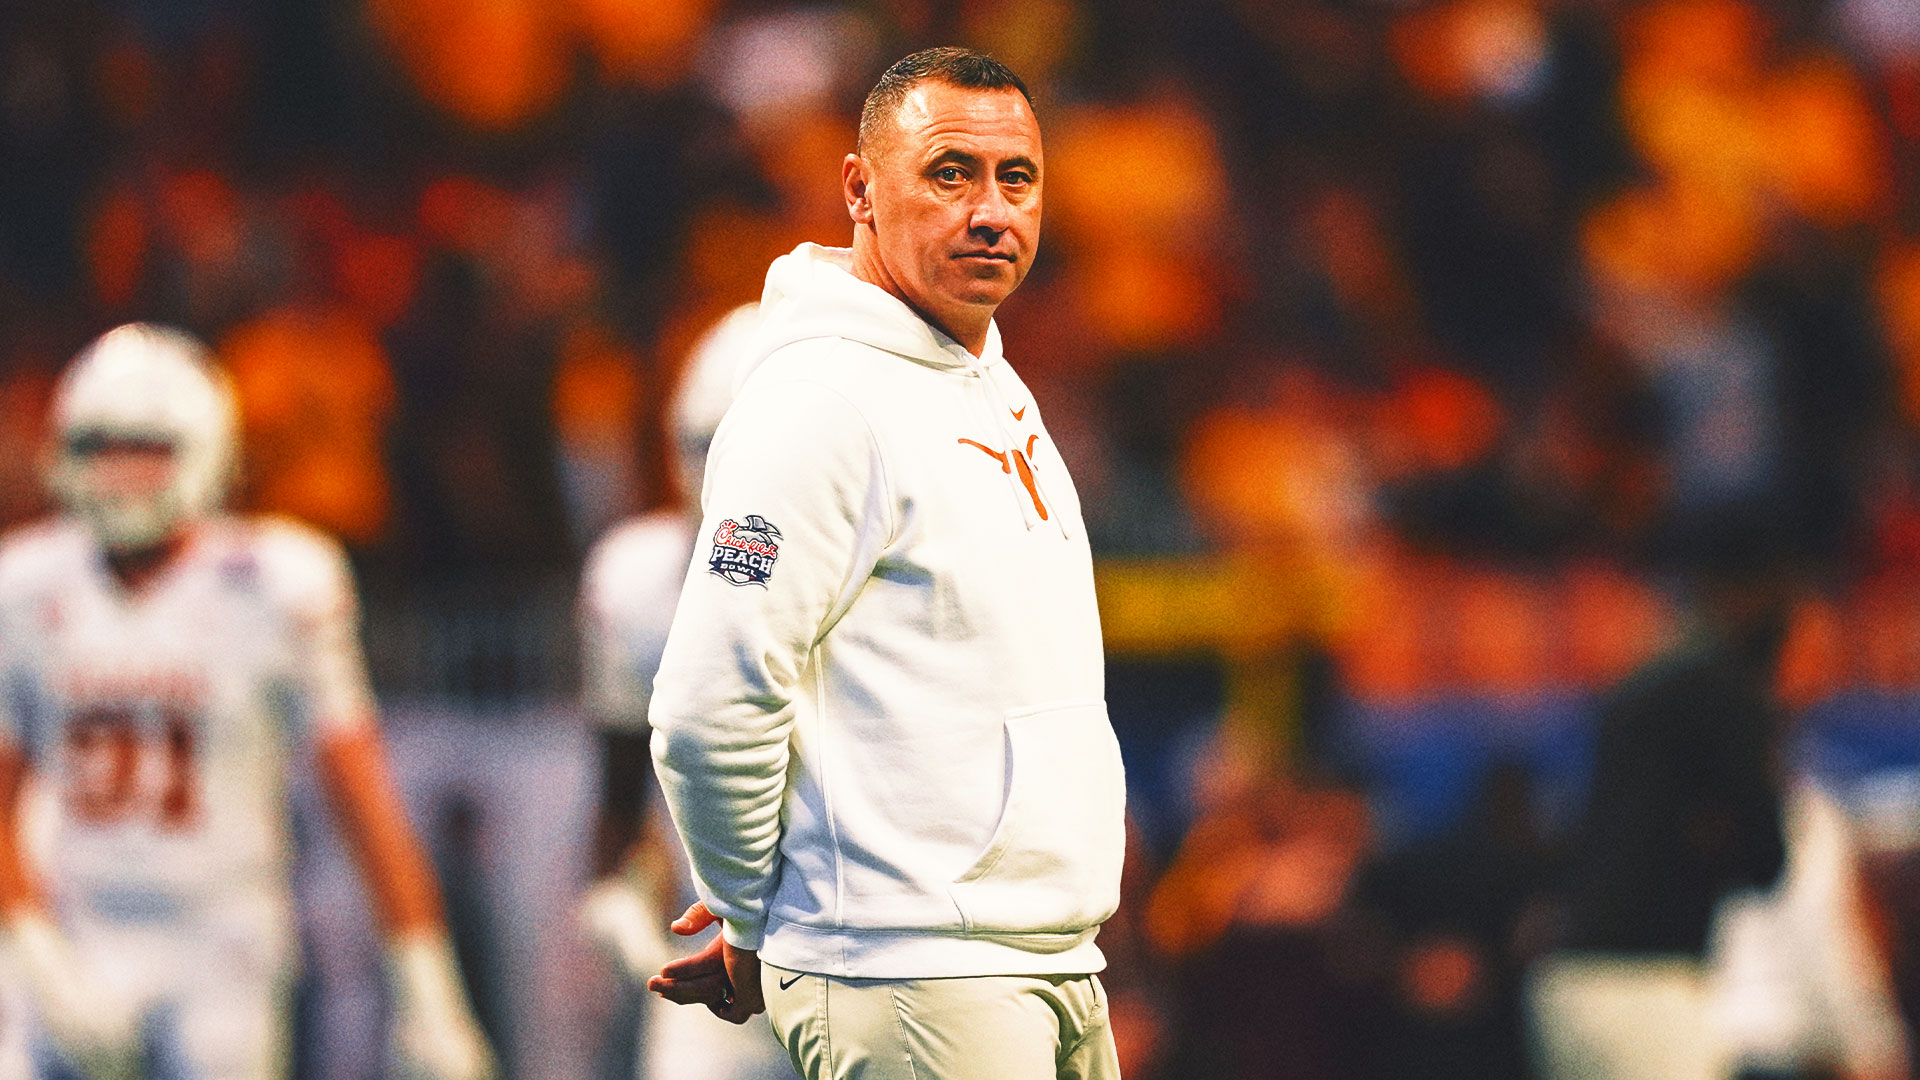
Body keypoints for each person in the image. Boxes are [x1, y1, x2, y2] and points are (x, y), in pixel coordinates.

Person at [644, 46, 1126, 1080]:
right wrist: (746, 910)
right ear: (860, 189)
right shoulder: (819, 404)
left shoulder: (984, 378)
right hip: (916, 969)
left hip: (1035, 955)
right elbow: (707, 703)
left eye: (1017, 178)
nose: (991, 211)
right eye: (951, 174)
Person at [0, 323, 495, 1080]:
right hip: (77, 926)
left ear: (205, 450)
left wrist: (428, 988)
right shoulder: (25, 584)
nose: (120, 474)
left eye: (145, 449)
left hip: (222, 941)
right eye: (100, 448)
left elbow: (362, 799)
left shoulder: (274, 581)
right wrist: (34, 954)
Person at [577, 302, 794, 1080]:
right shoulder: (636, 581)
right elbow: (621, 782)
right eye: (705, 445)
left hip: (867, 951)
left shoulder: (888, 575)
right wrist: (614, 887)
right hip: (717, 958)